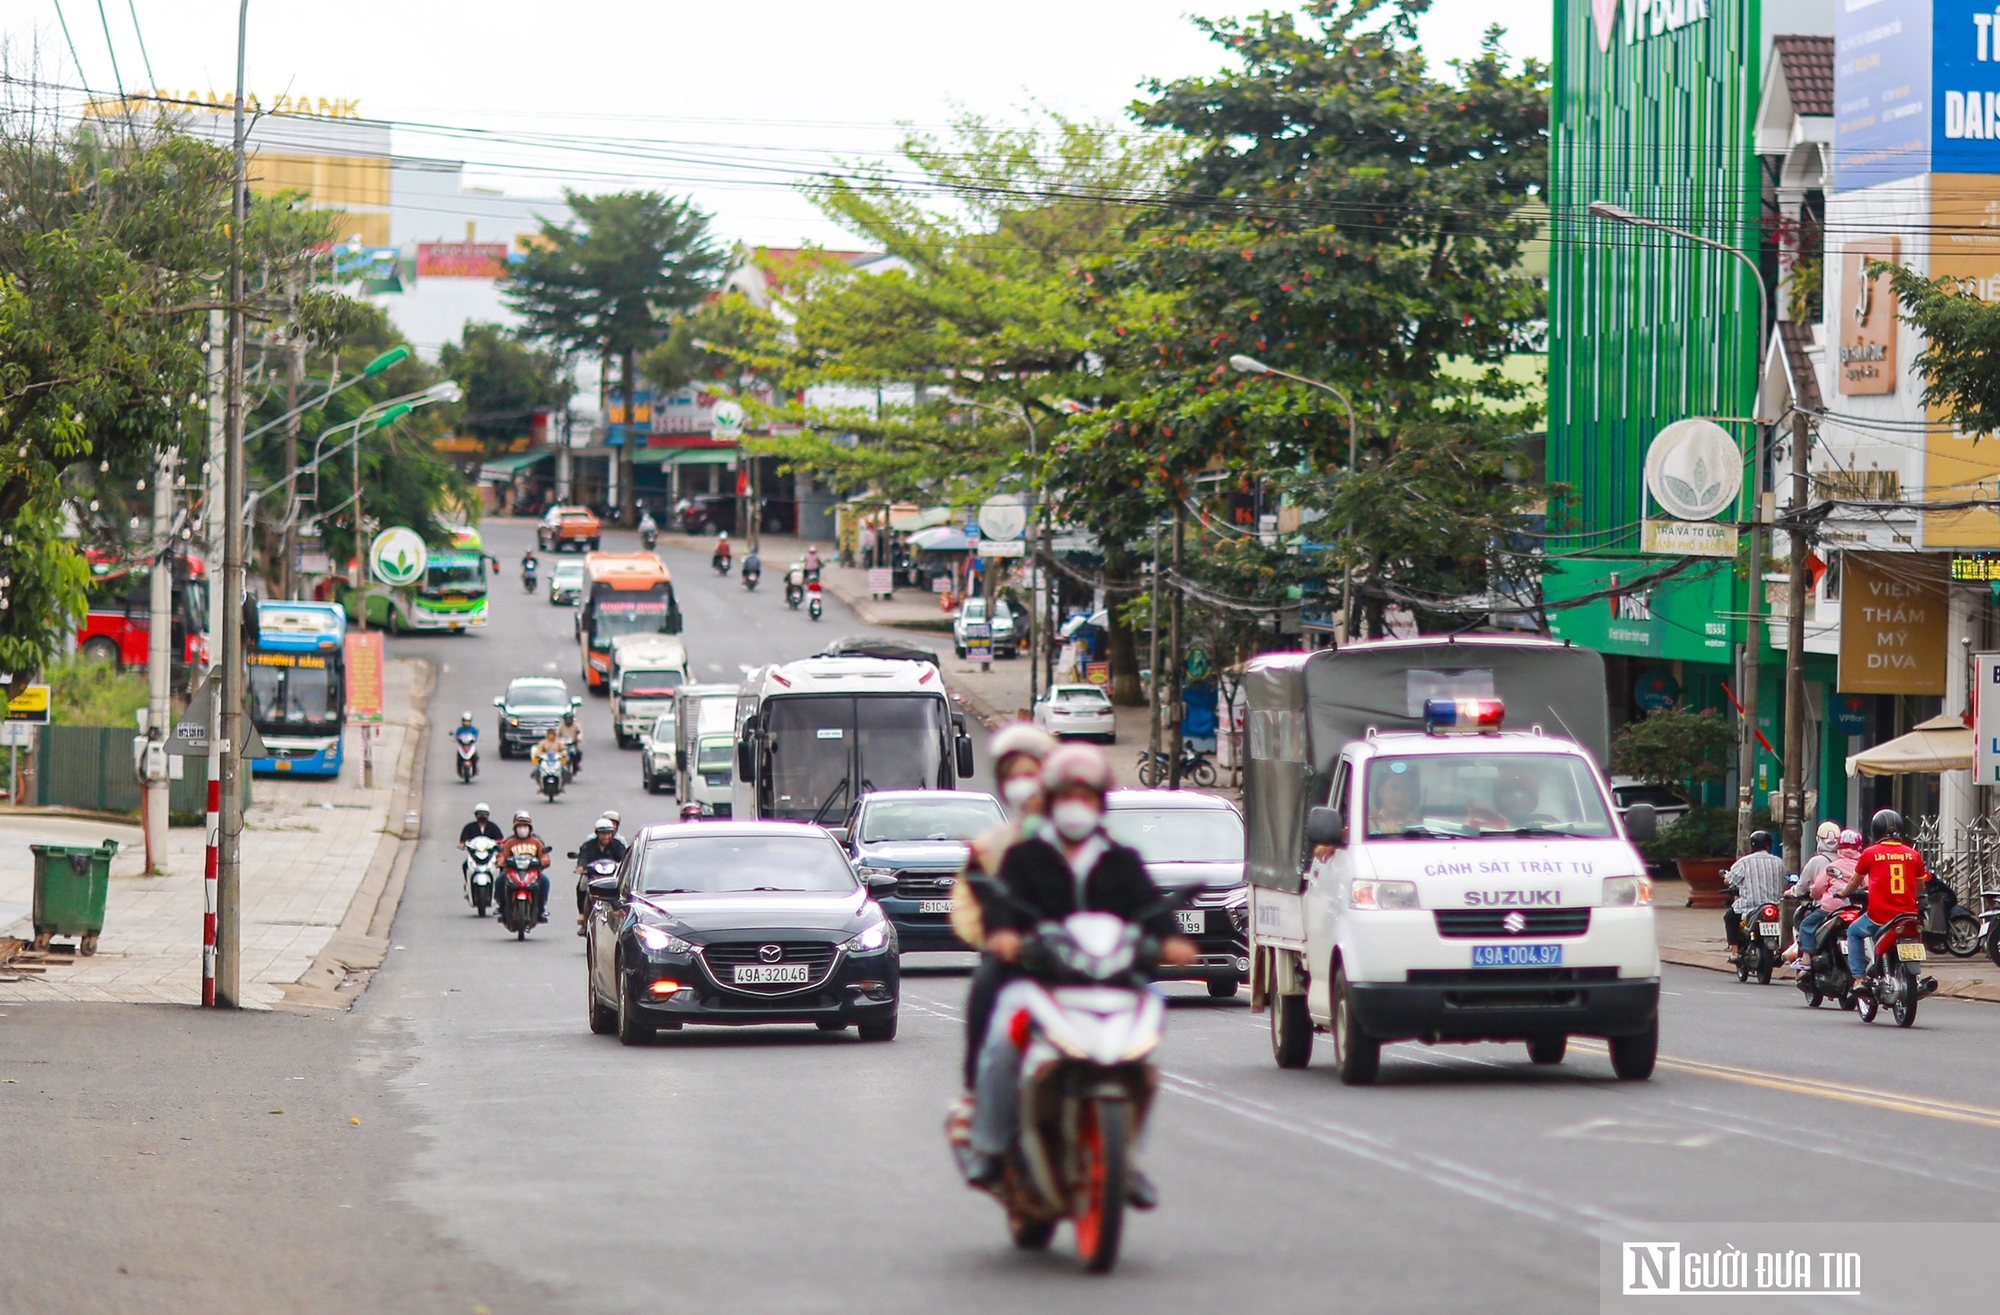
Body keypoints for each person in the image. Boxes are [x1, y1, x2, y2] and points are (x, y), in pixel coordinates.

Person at [962, 744, 1195, 1206]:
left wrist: (1171, 940)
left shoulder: (1121, 860)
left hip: (1111, 982)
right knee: (1002, 1041)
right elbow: (1001, 908)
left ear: (1099, 803)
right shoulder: (1025, 857)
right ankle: (988, 1144)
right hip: (1039, 979)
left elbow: (1150, 909)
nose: (1076, 806)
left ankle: (1124, 1160)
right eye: (1067, 795)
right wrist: (1006, 936)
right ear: (1050, 801)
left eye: (1085, 797)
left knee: (1145, 1061)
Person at [949, 724, 1058, 1131]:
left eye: (1033, 773)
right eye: (1015, 776)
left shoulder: (1084, 839)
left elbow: (1122, 891)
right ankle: (977, 1101)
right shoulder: (995, 846)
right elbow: (972, 905)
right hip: (1020, 964)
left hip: (1081, 963)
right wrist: (997, 937)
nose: (1025, 785)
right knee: (984, 996)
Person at [1842, 809, 1926, 990]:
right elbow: (1920, 887)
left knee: (1853, 932)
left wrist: (1843, 893)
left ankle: (1858, 978)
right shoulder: (1913, 854)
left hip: (1879, 917)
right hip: (1908, 916)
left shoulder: (1870, 853)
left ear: (1876, 830)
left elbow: (1854, 883)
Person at [1787, 828, 1860, 969]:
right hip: (1855, 909)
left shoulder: (1831, 866)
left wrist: (1814, 895)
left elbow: (1817, 888)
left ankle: (1806, 958)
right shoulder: (1861, 866)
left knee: (1806, 925)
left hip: (1830, 908)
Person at [1722, 830, 1788, 964]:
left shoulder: (1744, 862)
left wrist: (1726, 879)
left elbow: (1730, 880)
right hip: (1772, 906)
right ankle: (1775, 948)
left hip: (1749, 907)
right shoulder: (1778, 862)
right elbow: (1784, 882)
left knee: (1729, 917)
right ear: (1768, 846)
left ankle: (1735, 952)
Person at [573, 816, 630, 934]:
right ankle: (583, 915)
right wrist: (581, 867)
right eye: (603, 834)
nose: (606, 837)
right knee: (582, 886)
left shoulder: (617, 845)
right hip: (593, 876)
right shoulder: (589, 845)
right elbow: (583, 857)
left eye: (609, 834)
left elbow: (624, 857)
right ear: (597, 834)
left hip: (611, 876)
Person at [502, 809, 552, 922]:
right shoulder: (510, 842)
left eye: (525, 826)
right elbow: (502, 855)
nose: (522, 829)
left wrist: (544, 860)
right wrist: (500, 861)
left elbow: (543, 854)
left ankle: (541, 909)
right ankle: (501, 907)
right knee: (500, 881)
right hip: (513, 872)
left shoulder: (536, 842)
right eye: (520, 826)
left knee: (544, 881)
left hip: (532, 872)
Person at [1367, 764, 1426, 836]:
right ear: (1381, 792)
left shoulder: (1422, 825)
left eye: (1406, 789)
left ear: (1413, 794)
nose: (1399, 796)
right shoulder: (1366, 823)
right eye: (1393, 788)